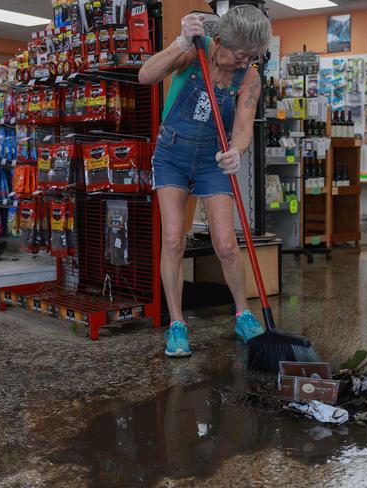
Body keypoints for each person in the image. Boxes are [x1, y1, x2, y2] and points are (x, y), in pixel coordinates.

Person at [138, 5, 271, 357]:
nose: (244, 63)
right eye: (241, 55)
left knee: (226, 244)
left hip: (214, 158)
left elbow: (242, 131)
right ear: (221, 42)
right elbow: (145, 77)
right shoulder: (193, 53)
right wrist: (179, 42)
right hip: (173, 155)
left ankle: (243, 314)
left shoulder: (250, 77)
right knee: (172, 239)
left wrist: (237, 152)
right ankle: (178, 324)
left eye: (252, 58)